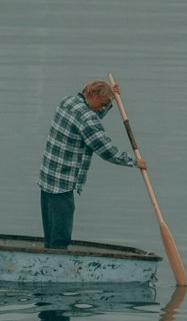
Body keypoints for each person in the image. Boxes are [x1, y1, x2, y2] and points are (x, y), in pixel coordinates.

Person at [37, 79, 142, 249]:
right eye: (102, 104)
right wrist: (135, 162)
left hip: (47, 177)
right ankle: (58, 265)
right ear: (93, 95)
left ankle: (50, 257)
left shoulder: (67, 101)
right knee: (60, 237)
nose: (102, 109)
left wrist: (111, 100)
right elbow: (107, 150)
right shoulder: (87, 118)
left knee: (50, 234)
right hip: (62, 183)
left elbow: (89, 118)